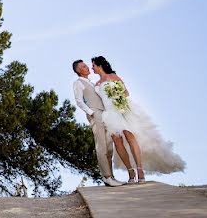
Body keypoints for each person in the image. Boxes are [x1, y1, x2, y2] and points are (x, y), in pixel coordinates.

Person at [91, 55, 186, 184]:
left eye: (93, 65)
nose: (92, 68)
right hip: (110, 114)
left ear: (99, 65)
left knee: (130, 137)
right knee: (117, 142)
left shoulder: (114, 77)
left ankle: (140, 170)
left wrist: (118, 97)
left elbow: (126, 93)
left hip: (122, 110)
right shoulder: (96, 84)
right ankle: (131, 171)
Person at [72, 59, 123, 187]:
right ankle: (106, 176)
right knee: (101, 145)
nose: (87, 67)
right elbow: (79, 101)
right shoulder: (78, 83)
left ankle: (111, 176)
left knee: (109, 146)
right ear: (78, 70)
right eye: (84, 66)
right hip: (95, 113)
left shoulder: (92, 83)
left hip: (105, 114)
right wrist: (91, 113)